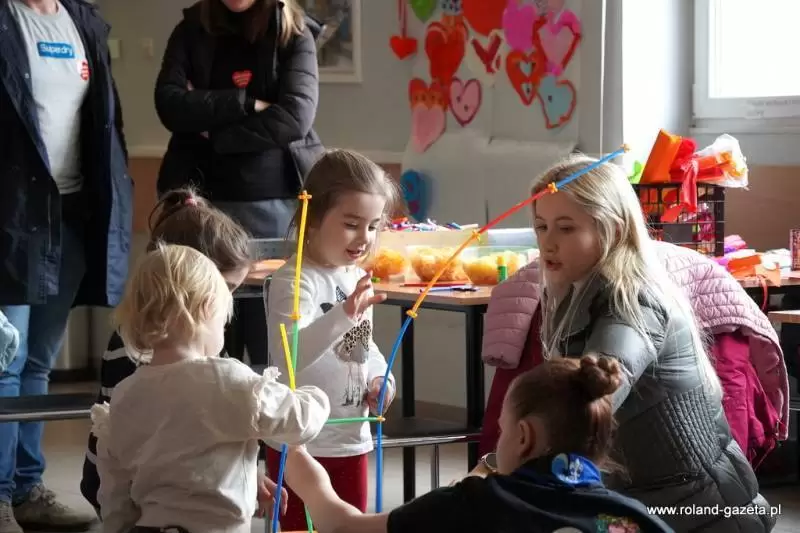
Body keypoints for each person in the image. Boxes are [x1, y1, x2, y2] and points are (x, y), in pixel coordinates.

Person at [479, 154, 775, 532]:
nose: (548, 242)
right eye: (541, 226)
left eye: (566, 228)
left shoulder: (632, 302)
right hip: (647, 503)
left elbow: (582, 403)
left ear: (614, 230)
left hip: (705, 512)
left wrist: (501, 462)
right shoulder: (576, 292)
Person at [284, 354, 674, 533]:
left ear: (523, 437)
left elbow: (343, 525)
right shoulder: (634, 517)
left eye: (503, 430)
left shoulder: (472, 503)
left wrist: (298, 460)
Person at [0, 0, 131, 530]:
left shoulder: (82, 20)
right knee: (4, 363)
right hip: (13, 214)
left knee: (38, 361)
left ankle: (27, 487)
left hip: (72, 212)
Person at [91, 243, 330, 533]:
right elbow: (299, 422)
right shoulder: (225, 379)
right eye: (223, 320)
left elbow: (115, 490)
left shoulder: (126, 393)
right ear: (206, 308)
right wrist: (317, 395)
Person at [154, 0, 325, 369]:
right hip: (199, 205)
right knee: (204, 341)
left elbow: (295, 117)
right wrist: (248, 103)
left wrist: (215, 135)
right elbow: (169, 104)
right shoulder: (190, 29)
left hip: (274, 204)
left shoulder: (294, 33)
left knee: (270, 342)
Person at [79, 187, 256, 515]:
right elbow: (147, 446)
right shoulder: (135, 346)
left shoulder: (197, 336)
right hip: (130, 488)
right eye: (225, 288)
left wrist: (246, 475)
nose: (228, 303)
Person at [265, 149, 400, 530]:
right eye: (352, 224)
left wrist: (381, 378)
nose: (364, 238)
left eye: (373, 226)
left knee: (350, 527)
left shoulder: (353, 278)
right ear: (312, 219)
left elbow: (362, 347)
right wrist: (343, 315)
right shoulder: (293, 280)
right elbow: (290, 355)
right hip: (299, 444)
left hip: (350, 437)